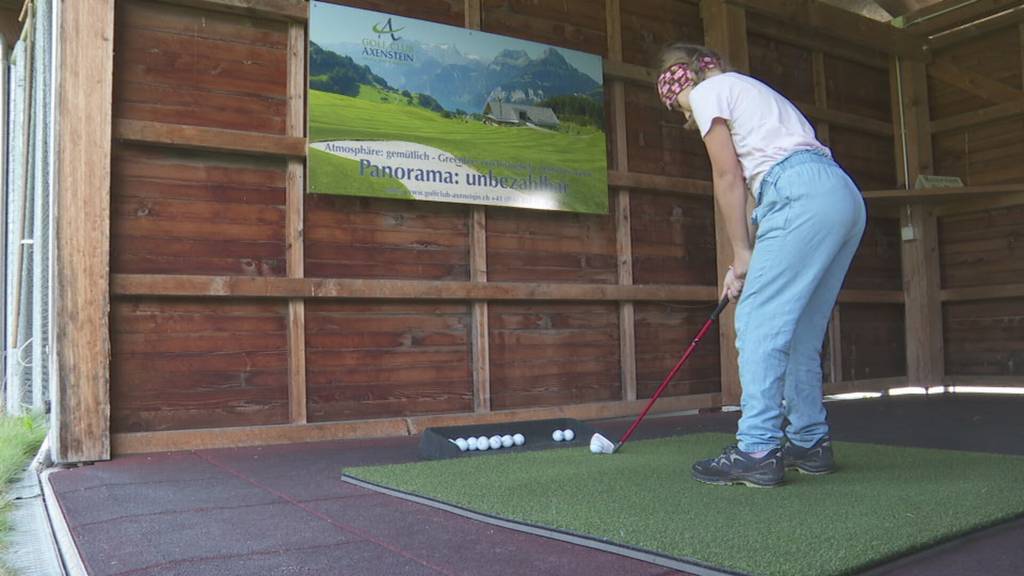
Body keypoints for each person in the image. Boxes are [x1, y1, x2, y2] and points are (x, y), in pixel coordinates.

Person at [655, 43, 866, 487]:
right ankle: (809, 443)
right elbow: (756, 189)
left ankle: (757, 448)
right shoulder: (750, 92)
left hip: (797, 194)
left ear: (680, 83)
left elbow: (728, 176)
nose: (685, 117)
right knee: (800, 332)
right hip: (839, 195)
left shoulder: (709, 92)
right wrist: (741, 260)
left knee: (756, 321)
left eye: (679, 108)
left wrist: (743, 255)